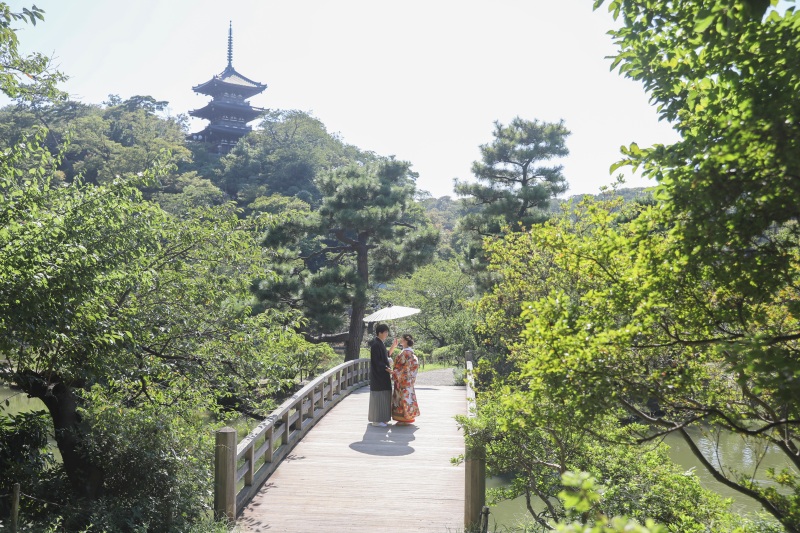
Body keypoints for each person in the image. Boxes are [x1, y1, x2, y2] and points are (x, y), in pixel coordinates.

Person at [368, 323, 398, 427]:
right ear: (380, 333)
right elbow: (377, 361)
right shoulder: (376, 344)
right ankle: (376, 420)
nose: (386, 334)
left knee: (384, 395)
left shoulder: (380, 343)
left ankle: (382, 418)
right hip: (379, 376)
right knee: (379, 396)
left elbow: (386, 356)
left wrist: (393, 346)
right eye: (385, 332)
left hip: (382, 375)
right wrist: (387, 369)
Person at [391, 333, 420, 425]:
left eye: (402, 339)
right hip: (408, 379)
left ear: (406, 341)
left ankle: (405, 418)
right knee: (409, 398)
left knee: (403, 398)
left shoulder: (405, 353)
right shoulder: (410, 352)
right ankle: (409, 416)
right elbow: (413, 366)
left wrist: (394, 372)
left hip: (402, 379)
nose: (400, 340)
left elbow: (402, 367)